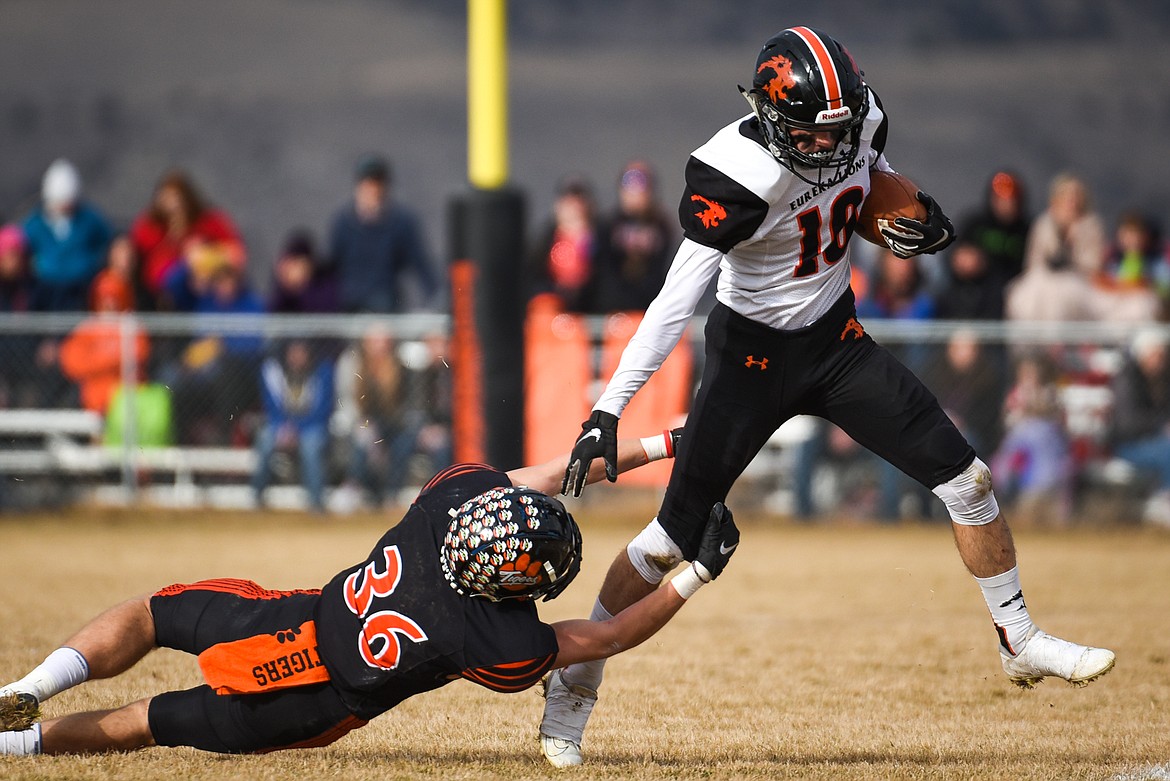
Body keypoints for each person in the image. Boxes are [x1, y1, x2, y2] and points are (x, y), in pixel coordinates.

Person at [540, 26, 1116, 768]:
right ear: (774, 118)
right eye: (813, 133)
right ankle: (572, 695)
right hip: (747, 358)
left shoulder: (860, 121)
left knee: (969, 480)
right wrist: (607, 410)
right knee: (669, 540)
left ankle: (1019, 637)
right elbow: (673, 304)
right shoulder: (736, 172)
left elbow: (871, 174)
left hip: (835, 344)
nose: (830, 146)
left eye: (838, 130)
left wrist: (912, 216)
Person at [0, 429, 737, 757]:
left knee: (150, 613)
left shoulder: (449, 501)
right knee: (147, 721)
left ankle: (32, 685)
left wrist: (670, 441)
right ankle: (22, 743)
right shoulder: (497, 640)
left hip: (294, 616)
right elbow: (607, 635)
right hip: (317, 702)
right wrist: (694, 571)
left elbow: (565, 467)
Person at [327, 155, 438, 314]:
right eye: (368, 185)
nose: (373, 191)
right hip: (349, 309)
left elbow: (421, 266)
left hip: (386, 308)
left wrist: (436, 301)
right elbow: (331, 267)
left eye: (377, 185)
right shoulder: (342, 223)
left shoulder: (402, 222)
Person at [129, 169, 244, 307]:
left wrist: (204, 258)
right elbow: (157, 275)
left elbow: (236, 254)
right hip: (162, 297)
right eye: (167, 201)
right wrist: (179, 250)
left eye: (178, 201)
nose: (174, 208)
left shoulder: (208, 221)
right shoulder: (149, 227)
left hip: (209, 294)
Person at [251, 339, 335, 514]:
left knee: (311, 446)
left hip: (311, 426)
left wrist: (297, 429)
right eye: (293, 352)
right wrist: (284, 428)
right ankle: (256, 498)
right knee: (264, 439)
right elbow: (270, 406)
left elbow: (323, 410)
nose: (297, 357)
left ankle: (316, 503)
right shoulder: (273, 371)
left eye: (301, 352)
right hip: (280, 425)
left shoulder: (322, 372)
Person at [21, 159, 114, 312]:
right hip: (46, 292)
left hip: (81, 291)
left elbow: (107, 243)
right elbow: (24, 249)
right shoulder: (35, 223)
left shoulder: (90, 219)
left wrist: (90, 263)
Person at [592, 161, 676, 312]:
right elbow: (604, 272)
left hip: (649, 309)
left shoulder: (663, 227)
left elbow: (662, 273)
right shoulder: (607, 226)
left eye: (641, 188)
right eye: (629, 188)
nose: (635, 195)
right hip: (612, 312)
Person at [1107, 328, 1170, 526]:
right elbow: (1127, 424)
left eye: (1162, 356)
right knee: (1167, 451)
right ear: (1143, 355)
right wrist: (1161, 426)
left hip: (1153, 440)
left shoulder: (1162, 380)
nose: (1160, 361)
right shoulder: (1127, 381)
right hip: (1128, 444)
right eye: (1155, 355)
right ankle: (1164, 499)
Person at [527, 175, 601, 313]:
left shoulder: (600, 239)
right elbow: (534, 275)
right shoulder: (545, 240)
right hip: (554, 307)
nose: (574, 208)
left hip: (589, 308)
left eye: (579, 204)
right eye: (569, 203)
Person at [957, 170, 1031, 283]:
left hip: (1014, 287)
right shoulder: (975, 224)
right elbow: (954, 254)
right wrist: (963, 260)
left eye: (1011, 200)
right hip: (973, 286)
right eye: (1001, 199)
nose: (1006, 205)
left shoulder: (1028, 231)